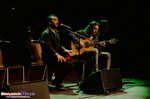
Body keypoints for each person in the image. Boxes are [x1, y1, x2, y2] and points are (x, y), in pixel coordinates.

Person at [40, 14, 75, 91]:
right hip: (48, 57)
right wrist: (57, 54)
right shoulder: (46, 33)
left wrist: (67, 51)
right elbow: (48, 47)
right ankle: (58, 84)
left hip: (56, 56)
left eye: (57, 20)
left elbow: (59, 46)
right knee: (63, 63)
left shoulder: (57, 33)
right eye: (55, 20)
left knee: (71, 65)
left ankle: (56, 81)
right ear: (49, 22)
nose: (57, 22)